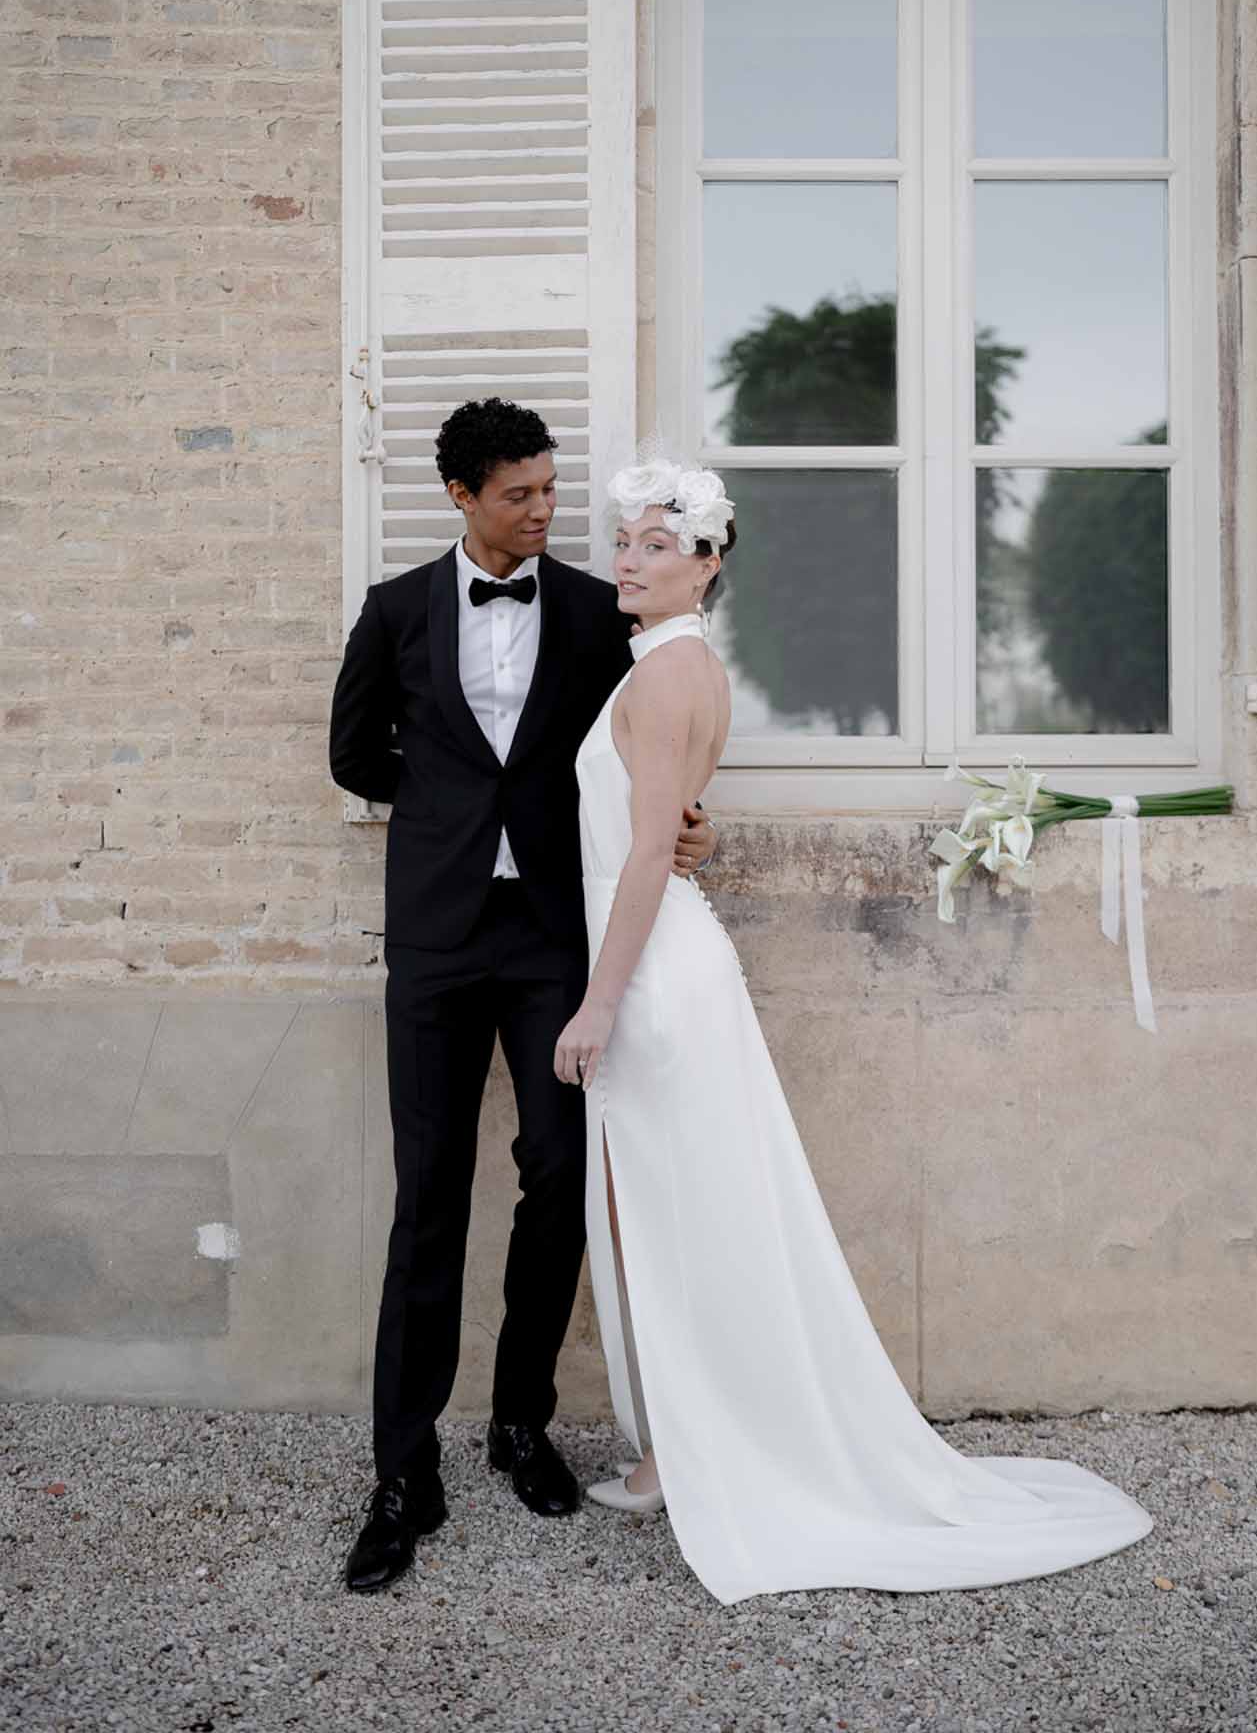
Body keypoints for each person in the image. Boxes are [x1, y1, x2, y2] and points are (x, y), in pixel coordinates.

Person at [552, 452, 1155, 1606]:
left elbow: (640, 852)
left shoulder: (672, 675)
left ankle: (696, 1453)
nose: (629, 558)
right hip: (666, 955)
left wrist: (597, 999)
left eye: (657, 545)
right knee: (683, 1218)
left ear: (708, 563)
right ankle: (682, 1444)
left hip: (654, 974)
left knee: (684, 1221)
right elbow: (675, 827)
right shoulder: (671, 666)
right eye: (624, 539)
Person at [328, 401, 718, 1593]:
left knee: (557, 1176)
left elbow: (647, 747)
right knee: (428, 1195)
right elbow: (353, 756)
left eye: (552, 489)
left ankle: (519, 1423)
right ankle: (403, 1472)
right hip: (439, 940)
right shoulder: (396, 610)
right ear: (462, 495)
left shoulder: (607, 615)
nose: (547, 511)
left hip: (556, 936)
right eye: (521, 495)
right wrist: (451, 807)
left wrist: (687, 822)